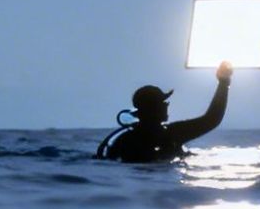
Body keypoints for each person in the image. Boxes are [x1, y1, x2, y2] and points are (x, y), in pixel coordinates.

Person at [97, 61, 233, 163]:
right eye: (163, 103)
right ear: (153, 108)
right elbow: (212, 119)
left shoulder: (123, 140)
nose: (167, 106)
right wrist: (223, 83)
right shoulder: (172, 134)